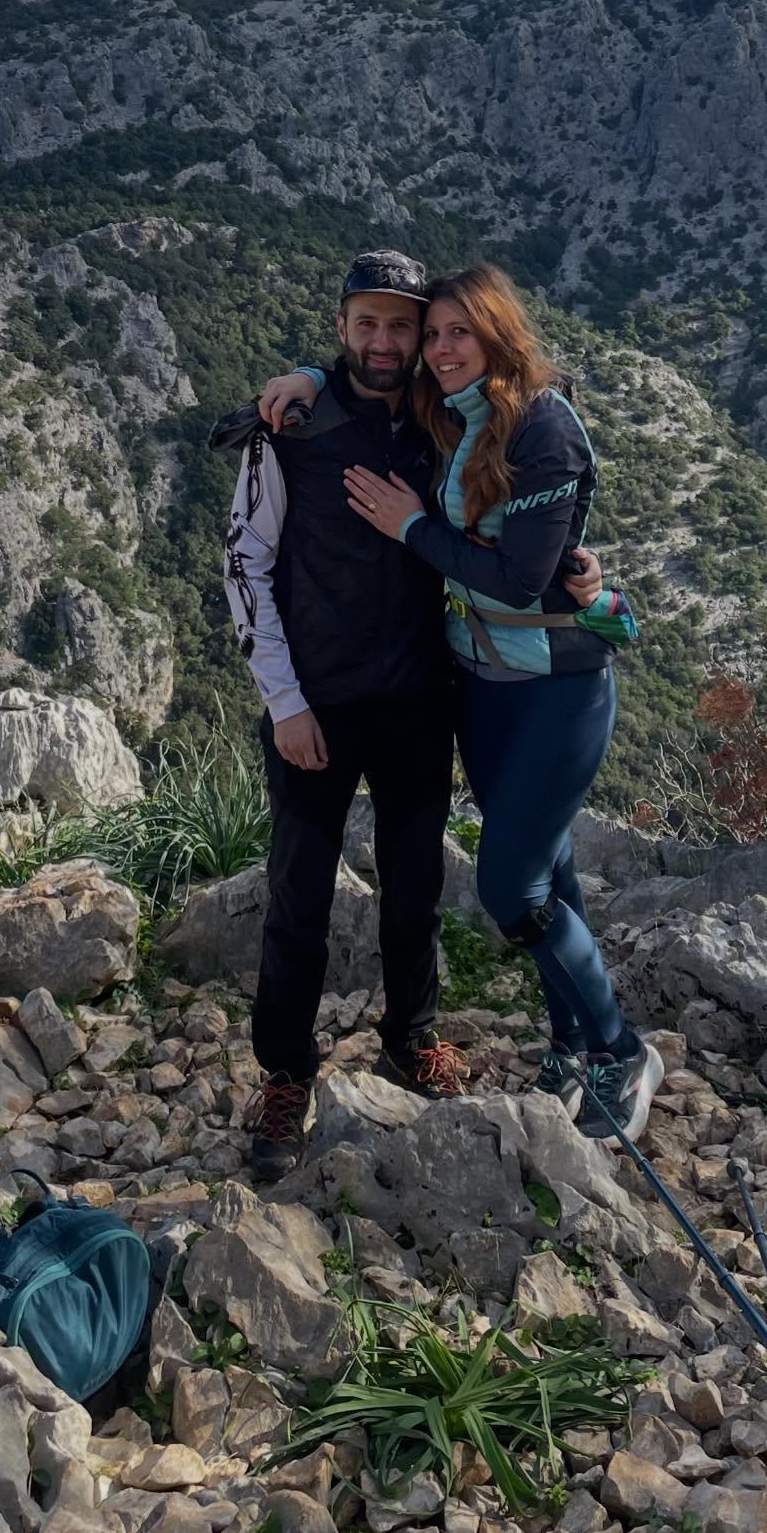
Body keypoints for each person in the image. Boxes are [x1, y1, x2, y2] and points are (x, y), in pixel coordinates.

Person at [215, 251, 603, 1182]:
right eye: (369, 323)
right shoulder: (290, 430)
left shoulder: (445, 424)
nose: (387, 343)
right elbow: (244, 565)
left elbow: (511, 524)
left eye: (405, 326)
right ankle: (285, 1076)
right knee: (300, 893)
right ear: (341, 327)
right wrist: (283, 702)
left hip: (422, 697)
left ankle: (411, 1037)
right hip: (317, 703)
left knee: (415, 884)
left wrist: (581, 574)